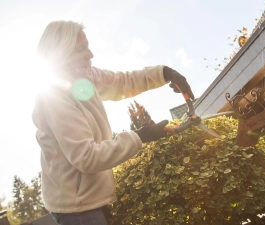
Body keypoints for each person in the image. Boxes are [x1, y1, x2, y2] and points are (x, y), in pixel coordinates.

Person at [32, 20, 194, 225]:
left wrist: (166, 74)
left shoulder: (86, 77)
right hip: (76, 207)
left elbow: (122, 82)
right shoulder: (55, 98)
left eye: (87, 46)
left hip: (91, 198)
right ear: (60, 55)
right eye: (80, 49)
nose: (90, 55)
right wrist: (140, 136)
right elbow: (87, 157)